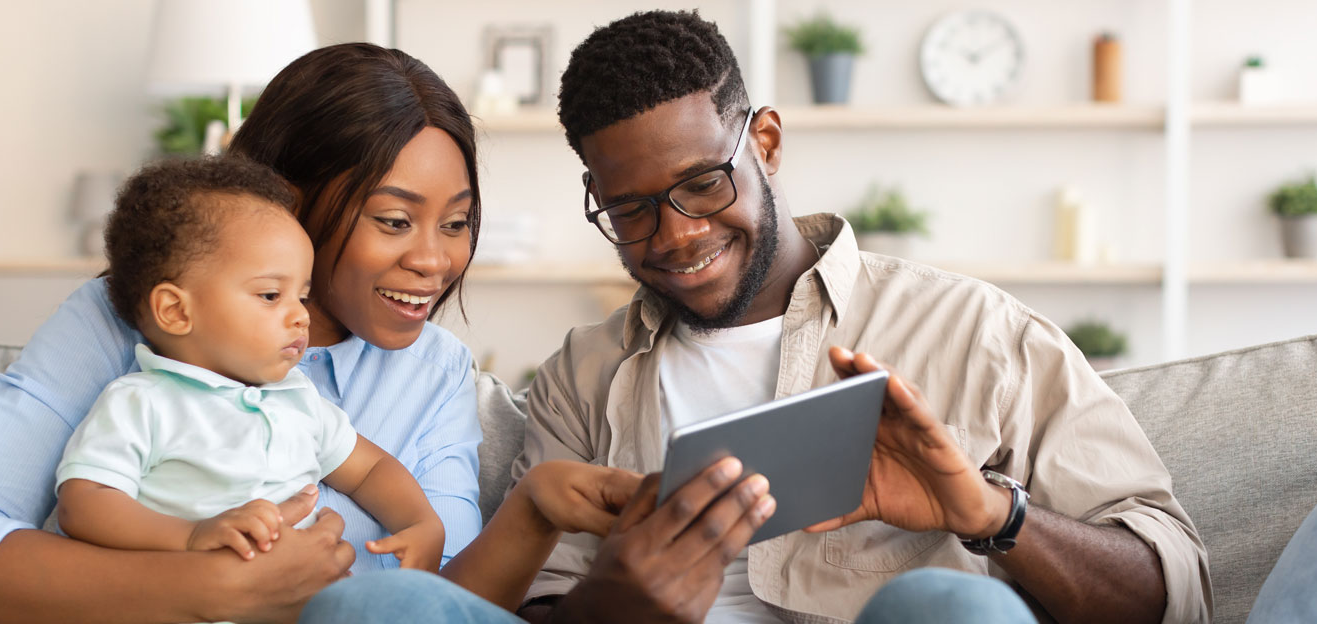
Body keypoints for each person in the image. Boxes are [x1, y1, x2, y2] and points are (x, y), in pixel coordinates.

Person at [0, 43, 762, 624]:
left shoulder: (434, 376)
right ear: (289, 208)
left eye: (456, 224)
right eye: (392, 220)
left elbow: (433, 607)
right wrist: (200, 584)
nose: (434, 261)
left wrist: (529, 512)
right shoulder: (139, 320)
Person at [511, 11, 1212, 624]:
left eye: (703, 184)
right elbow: (526, 601)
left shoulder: (976, 331)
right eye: (631, 210)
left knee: (945, 606)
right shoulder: (581, 377)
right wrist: (605, 608)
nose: (676, 236)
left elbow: (1170, 594)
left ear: (767, 143)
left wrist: (990, 513)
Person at [54, 157, 444, 572]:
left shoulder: (297, 399)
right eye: (271, 296)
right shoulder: (142, 401)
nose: (301, 316)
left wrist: (421, 522)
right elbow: (85, 502)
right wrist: (189, 536)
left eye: (303, 296)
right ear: (175, 311)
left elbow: (371, 469)